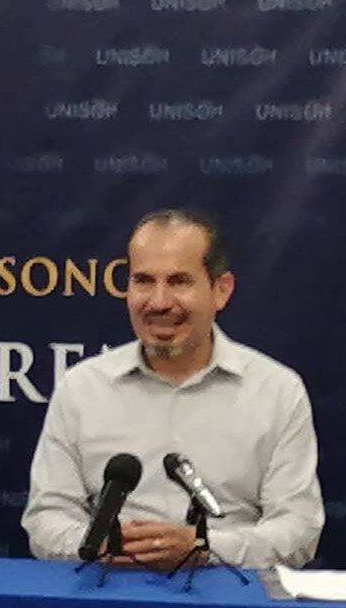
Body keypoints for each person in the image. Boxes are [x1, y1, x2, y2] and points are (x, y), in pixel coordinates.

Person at [22, 209, 323, 570]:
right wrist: (101, 543)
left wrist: (204, 547)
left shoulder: (277, 391)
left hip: (227, 593)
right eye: (143, 281)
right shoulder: (82, 387)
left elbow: (299, 529)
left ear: (221, 290)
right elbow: (45, 519)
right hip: (108, 588)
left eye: (179, 282)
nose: (159, 302)